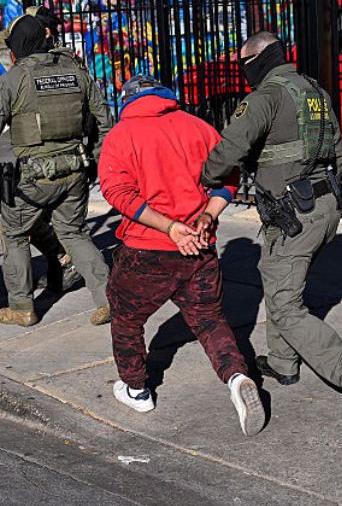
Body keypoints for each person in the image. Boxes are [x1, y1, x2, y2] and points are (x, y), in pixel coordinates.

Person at [200, 31, 342, 428]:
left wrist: (206, 174)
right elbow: (341, 152)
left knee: (285, 303)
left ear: (258, 60)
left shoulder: (266, 97)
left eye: (243, 63)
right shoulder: (313, 90)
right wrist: (335, 200)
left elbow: (230, 149)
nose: (243, 71)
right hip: (320, 205)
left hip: (295, 212)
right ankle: (283, 362)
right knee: (275, 274)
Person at [98, 75, 265, 436]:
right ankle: (237, 377)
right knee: (209, 320)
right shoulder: (198, 127)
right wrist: (207, 215)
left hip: (147, 250)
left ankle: (137, 389)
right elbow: (229, 176)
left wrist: (170, 227)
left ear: (127, 101)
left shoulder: (121, 136)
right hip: (200, 247)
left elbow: (118, 192)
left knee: (126, 318)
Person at [0, 13, 113, 325]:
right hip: (75, 169)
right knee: (74, 232)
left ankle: (22, 307)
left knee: (14, 232)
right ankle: (109, 298)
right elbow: (104, 121)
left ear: (18, 47)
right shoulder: (76, 71)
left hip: (34, 175)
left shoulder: (14, 78)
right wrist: (100, 162)